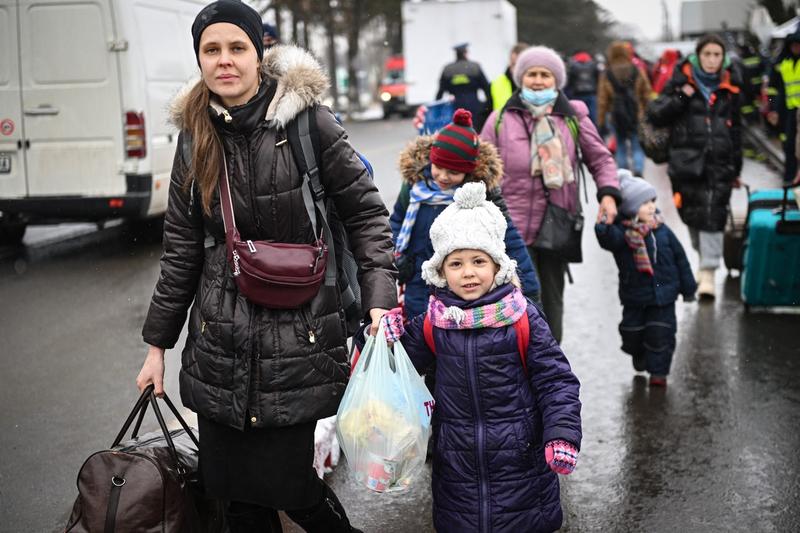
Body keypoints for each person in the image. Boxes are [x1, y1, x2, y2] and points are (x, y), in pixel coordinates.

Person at [135, 2, 397, 531]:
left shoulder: (308, 124)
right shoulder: (194, 136)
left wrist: (378, 300)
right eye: (212, 50)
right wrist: (156, 347)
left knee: (291, 489)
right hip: (219, 343)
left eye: (237, 48)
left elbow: (366, 215)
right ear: (200, 59)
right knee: (236, 498)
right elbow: (182, 250)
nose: (224, 60)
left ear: (259, 55)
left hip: (296, 340)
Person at [378, 182, 582, 533]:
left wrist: (561, 433)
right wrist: (389, 339)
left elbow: (556, 380)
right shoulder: (433, 321)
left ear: (496, 266)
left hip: (521, 465)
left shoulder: (521, 316)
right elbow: (401, 369)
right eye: (455, 263)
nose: (468, 272)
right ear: (441, 272)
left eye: (478, 261)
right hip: (457, 468)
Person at [481, 45, 621, 343]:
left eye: (545, 74)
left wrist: (608, 195)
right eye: (531, 73)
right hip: (511, 227)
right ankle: (518, 363)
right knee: (516, 298)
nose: (538, 80)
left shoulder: (573, 117)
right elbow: (480, 168)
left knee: (552, 300)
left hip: (557, 222)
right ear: (521, 78)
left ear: (556, 80)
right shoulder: (500, 120)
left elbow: (600, 159)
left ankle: (549, 362)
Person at [390, 107, 541, 319]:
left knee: (455, 338)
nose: (442, 176)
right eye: (438, 167)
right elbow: (396, 221)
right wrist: (395, 256)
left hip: (462, 287)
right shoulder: (414, 188)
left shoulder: (481, 196)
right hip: (418, 279)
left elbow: (508, 236)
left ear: (467, 171)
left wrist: (530, 289)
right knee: (418, 334)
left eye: (453, 172)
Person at [647, 33, 742, 300]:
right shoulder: (680, 82)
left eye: (717, 55)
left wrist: (737, 167)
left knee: (714, 213)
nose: (712, 60)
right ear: (697, 57)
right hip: (686, 161)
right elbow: (656, 113)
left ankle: (709, 271)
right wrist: (682, 97)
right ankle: (703, 259)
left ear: (723, 58)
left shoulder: (731, 86)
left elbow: (738, 129)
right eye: (707, 54)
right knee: (692, 213)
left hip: (720, 162)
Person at [595, 171, 697, 387]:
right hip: (635, 296)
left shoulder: (662, 230)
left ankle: (659, 374)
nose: (651, 207)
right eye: (644, 203)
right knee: (632, 332)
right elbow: (606, 238)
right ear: (630, 209)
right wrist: (603, 222)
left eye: (652, 201)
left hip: (664, 296)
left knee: (662, 334)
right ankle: (638, 352)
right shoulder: (622, 234)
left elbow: (681, 258)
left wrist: (688, 288)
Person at [597, 40, 653, 176]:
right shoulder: (636, 70)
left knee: (621, 145)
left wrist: (601, 120)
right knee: (637, 145)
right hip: (636, 113)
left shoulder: (607, 74)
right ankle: (638, 170)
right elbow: (646, 92)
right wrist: (648, 112)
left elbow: (603, 100)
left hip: (616, 115)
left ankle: (624, 174)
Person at [767, 27, 800, 184]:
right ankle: (789, 178)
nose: (796, 48)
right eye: (793, 45)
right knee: (788, 145)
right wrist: (772, 108)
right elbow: (773, 89)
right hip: (788, 111)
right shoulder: (782, 63)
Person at [436, 43, 493, 131]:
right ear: (465, 53)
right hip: (474, 105)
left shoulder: (448, 69)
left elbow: (440, 92)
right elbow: (486, 88)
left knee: (458, 130)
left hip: (456, 106)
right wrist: (487, 106)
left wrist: (437, 111)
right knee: (475, 129)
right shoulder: (475, 67)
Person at [489, 42, 529, 112]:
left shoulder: (539, 86)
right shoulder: (496, 83)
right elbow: (485, 114)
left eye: (520, 65)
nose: (516, 70)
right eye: (513, 64)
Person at [566, 50, 600, 124]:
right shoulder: (593, 65)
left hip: (577, 94)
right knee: (592, 115)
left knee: (578, 115)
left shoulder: (573, 65)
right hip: (591, 93)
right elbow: (598, 79)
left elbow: (570, 81)